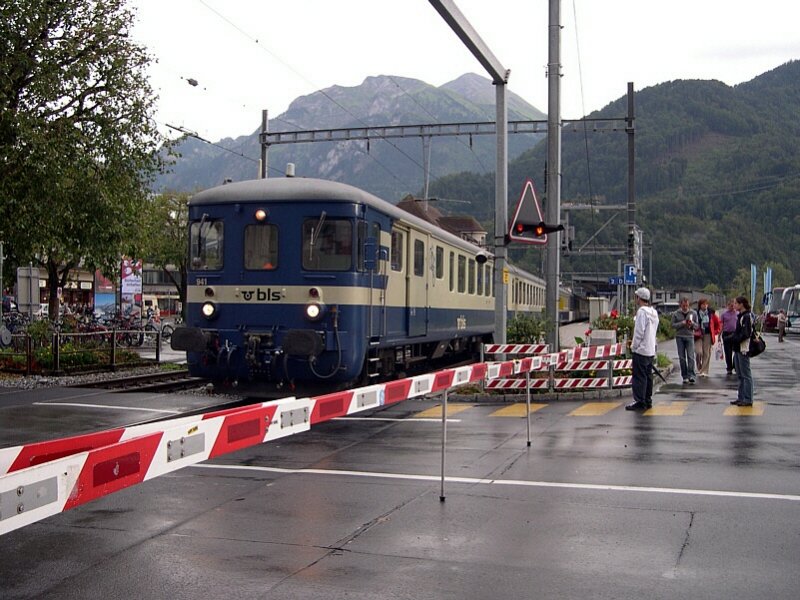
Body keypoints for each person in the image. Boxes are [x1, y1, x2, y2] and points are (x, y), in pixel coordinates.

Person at [626, 287, 660, 411]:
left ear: (639, 298)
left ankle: (639, 401)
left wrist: (634, 346)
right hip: (650, 349)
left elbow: (639, 331)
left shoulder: (641, 312)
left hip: (641, 350)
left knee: (639, 376)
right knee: (648, 375)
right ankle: (647, 399)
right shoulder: (653, 312)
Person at [730, 296, 755, 406]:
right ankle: (741, 397)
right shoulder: (740, 316)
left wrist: (735, 338)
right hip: (737, 348)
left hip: (743, 348)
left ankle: (748, 398)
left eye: (735, 303)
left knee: (746, 374)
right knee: (739, 374)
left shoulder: (746, 316)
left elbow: (746, 333)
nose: (734, 305)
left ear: (741, 304)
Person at [671, 297, 699, 384]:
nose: (685, 307)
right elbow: (672, 325)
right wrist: (681, 323)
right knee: (682, 358)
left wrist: (692, 324)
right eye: (683, 305)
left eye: (687, 305)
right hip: (679, 337)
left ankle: (691, 375)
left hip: (690, 336)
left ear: (689, 305)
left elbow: (697, 326)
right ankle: (684, 376)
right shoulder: (676, 314)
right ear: (680, 305)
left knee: (691, 357)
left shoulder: (693, 313)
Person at [695, 298, 721, 377]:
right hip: (698, 334)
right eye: (703, 304)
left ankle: (704, 370)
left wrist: (715, 332)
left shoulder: (711, 313)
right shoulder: (696, 313)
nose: (705, 306)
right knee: (698, 352)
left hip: (708, 334)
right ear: (700, 305)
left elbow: (718, 324)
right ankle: (699, 367)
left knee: (706, 353)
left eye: (706, 304)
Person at [720, 298, 738, 374]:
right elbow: (721, 325)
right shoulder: (724, 314)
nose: (732, 307)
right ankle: (729, 368)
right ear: (728, 306)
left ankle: (735, 365)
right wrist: (719, 335)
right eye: (731, 305)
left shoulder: (738, 314)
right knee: (728, 352)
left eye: (733, 305)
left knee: (737, 351)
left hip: (735, 333)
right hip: (726, 334)